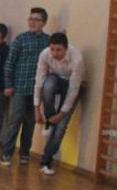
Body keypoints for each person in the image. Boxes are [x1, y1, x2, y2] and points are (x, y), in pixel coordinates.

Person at [0, 8, 50, 166]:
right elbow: (9, 63)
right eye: (31, 19)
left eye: (37, 19)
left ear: (44, 23)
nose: (33, 22)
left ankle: (24, 153)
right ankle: (6, 154)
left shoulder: (48, 41)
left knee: (30, 122)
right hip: (20, 87)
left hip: (37, 89)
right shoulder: (21, 39)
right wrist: (8, 85)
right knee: (15, 120)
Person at [34, 32, 85, 175]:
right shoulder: (45, 54)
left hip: (71, 86)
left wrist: (61, 114)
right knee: (48, 84)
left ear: (66, 48)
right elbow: (39, 81)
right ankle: (49, 120)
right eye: (52, 49)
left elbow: (73, 90)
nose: (55, 53)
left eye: (59, 50)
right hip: (55, 80)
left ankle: (46, 161)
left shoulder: (77, 59)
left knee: (61, 127)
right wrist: (36, 108)